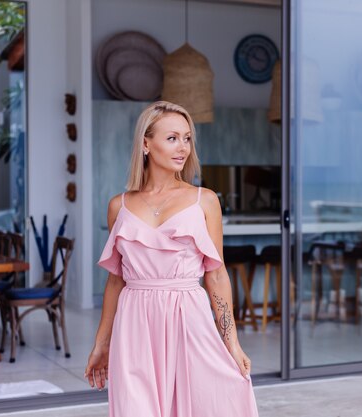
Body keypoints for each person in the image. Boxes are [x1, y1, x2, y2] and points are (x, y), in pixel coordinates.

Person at [85, 101, 259, 417]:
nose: (183, 148)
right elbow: (115, 280)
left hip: (189, 317)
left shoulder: (204, 200)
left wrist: (231, 341)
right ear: (146, 144)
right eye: (172, 138)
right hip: (134, 323)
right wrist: (101, 343)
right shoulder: (118, 206)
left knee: (203, 404)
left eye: (187, 138)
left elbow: (216, 276)